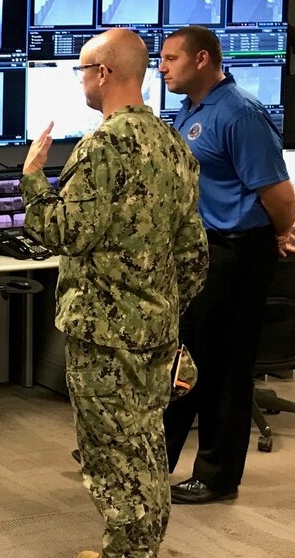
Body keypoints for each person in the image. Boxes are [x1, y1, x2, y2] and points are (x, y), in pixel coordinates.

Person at [21, 28, 208, 558]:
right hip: (156, 330)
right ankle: (141, 546)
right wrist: (163, 308)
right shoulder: (172, 143)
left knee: (111, 451)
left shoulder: (103, 145)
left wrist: (34, 178)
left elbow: (63, 232)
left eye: (82, 69)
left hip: (104, 334)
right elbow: (194, 252)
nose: (81, 80)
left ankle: (129, 551)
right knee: (146, 441)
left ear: (103, 74)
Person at [160, 25, 295, 504]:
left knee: (223, 368)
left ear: (201, 60)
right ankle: (155, 461)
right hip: (200, 252)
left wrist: (283, 232)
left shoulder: (240, 113)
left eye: (171, 58)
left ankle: (217, 477)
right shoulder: (192, 109)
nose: (162, 68)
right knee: (185, 361)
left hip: (235, 252)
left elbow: (278, 192)